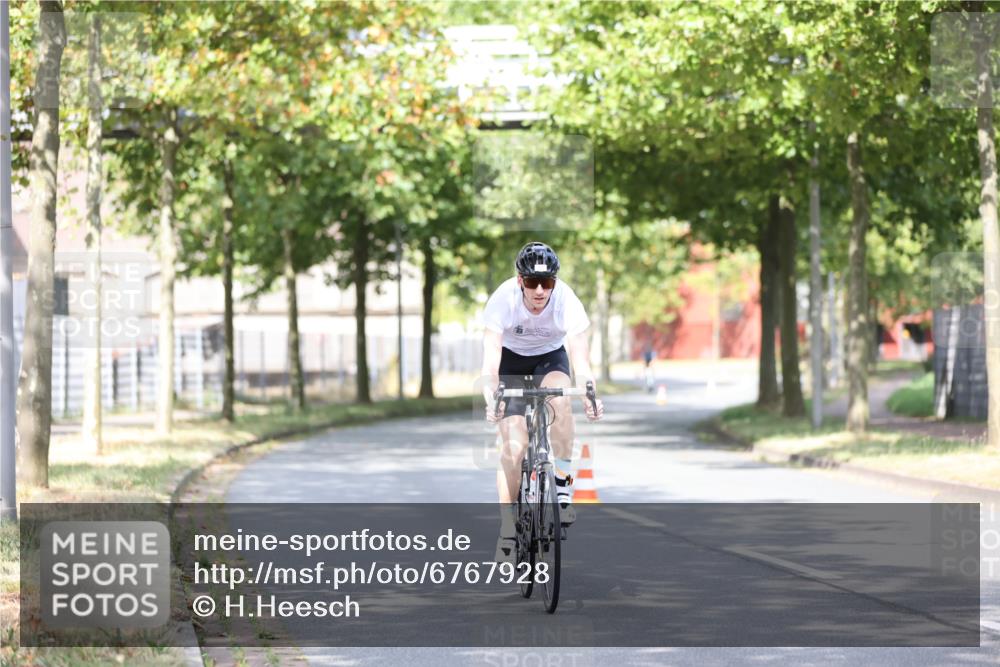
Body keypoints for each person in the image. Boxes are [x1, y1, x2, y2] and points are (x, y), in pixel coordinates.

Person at [481, 242, 604, 562]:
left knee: (562, 400)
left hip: (549, 359)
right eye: (532, 283)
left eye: (547, 283)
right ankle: (508, 527)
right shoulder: (502, 300)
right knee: (513, 447)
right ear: (519, 281)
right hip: (510, 362)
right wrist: (491, 398)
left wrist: (590, 394)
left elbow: (581, 361)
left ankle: (561, 484)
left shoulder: (566, 301)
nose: (539, 291)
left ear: (554, 283)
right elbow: (490, 361)